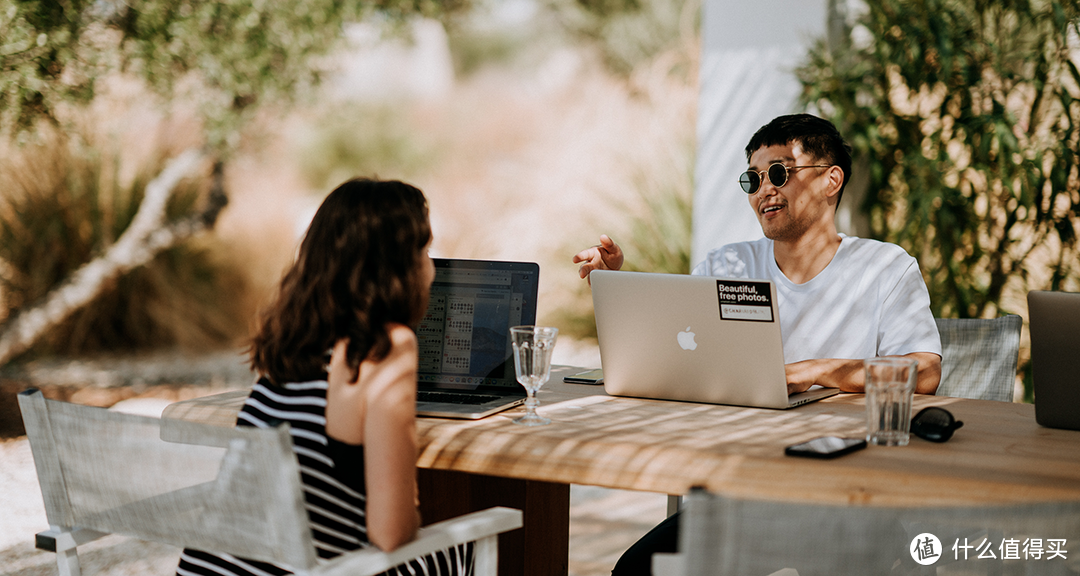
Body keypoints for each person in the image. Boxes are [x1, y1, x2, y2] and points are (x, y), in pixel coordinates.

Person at [573, 114, 942, 575]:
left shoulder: (885, 267)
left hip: (853, 499)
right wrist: (619, 289)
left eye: (780, 173)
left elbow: (924, 372)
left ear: (831, 180)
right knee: (635, 570)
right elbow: (670, 357)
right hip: (740, 495)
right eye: (753, 178)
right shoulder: (728, 264)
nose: (764, 189)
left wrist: (809, 371)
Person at [177, 179, 471, 576]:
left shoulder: (290, 337)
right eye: (424, 251)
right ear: (399, 267)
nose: (431, 268)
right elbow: (390, 533)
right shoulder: (385, 346)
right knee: (466, 547)